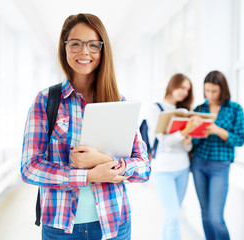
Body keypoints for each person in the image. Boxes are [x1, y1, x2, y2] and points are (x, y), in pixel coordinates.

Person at [20, 13, 151, 240]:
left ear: (102, 50)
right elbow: (29, 168)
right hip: (61, 228)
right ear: (64, 48)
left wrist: (103, 161)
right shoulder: (46, 100)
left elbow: (144, 169)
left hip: (114, 224)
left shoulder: (118, 102)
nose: (84, 52)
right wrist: (87, 176)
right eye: (76, 44)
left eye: (93, 45)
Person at [146, 73, 202, 240]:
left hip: (183, 169)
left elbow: (186, 145)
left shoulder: (184, 111)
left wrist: (188, 140)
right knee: (173, 216)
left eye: (187, 90)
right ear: (172, 85)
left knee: (173, 214)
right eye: (182, 87)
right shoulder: (156, 109)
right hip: (164, 170)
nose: (184, 92)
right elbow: (162, 143)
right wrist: (184, 131)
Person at [191, 70, 244, 240]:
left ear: (223, 89)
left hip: (220, 166)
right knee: (206, 215)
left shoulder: (235, 109)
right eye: (207, 90)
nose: (210, 95)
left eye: (214, 91)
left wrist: (219, 131)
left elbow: (240, 139)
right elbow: (193, 142)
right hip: (199, 164)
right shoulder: (199, 109)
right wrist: (197, 133)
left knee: (216, 218)